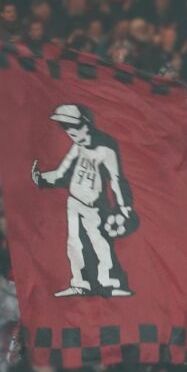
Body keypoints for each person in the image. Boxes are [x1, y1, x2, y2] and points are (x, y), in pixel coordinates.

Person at [32, 103, 136, 298]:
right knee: (74, 243)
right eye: (68, 130)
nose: (72, 133)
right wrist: (41, 178)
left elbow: (116, 179)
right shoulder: (76, 147)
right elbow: (62, 174)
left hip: (94, 206)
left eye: (74, 128)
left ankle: (110, 283)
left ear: (86, 125)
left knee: (100, 244)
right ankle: (80, 283)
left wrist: (124, 208)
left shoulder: (105, 148)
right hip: (74, 203)